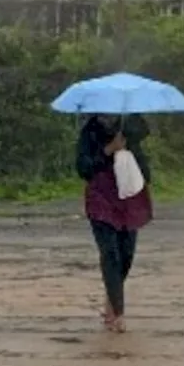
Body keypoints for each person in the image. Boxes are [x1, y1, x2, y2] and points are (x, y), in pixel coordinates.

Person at [77, 114, 153, 333]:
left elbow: (143, 167)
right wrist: (108, 150)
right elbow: (83, 168)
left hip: (129, 200)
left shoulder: (130, 126)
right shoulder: (89, 132)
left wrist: (126, 144)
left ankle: (111, 298)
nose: (107, 116)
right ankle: (118, 313)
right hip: (101, 200)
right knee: (110, 253)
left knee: (127, 254)